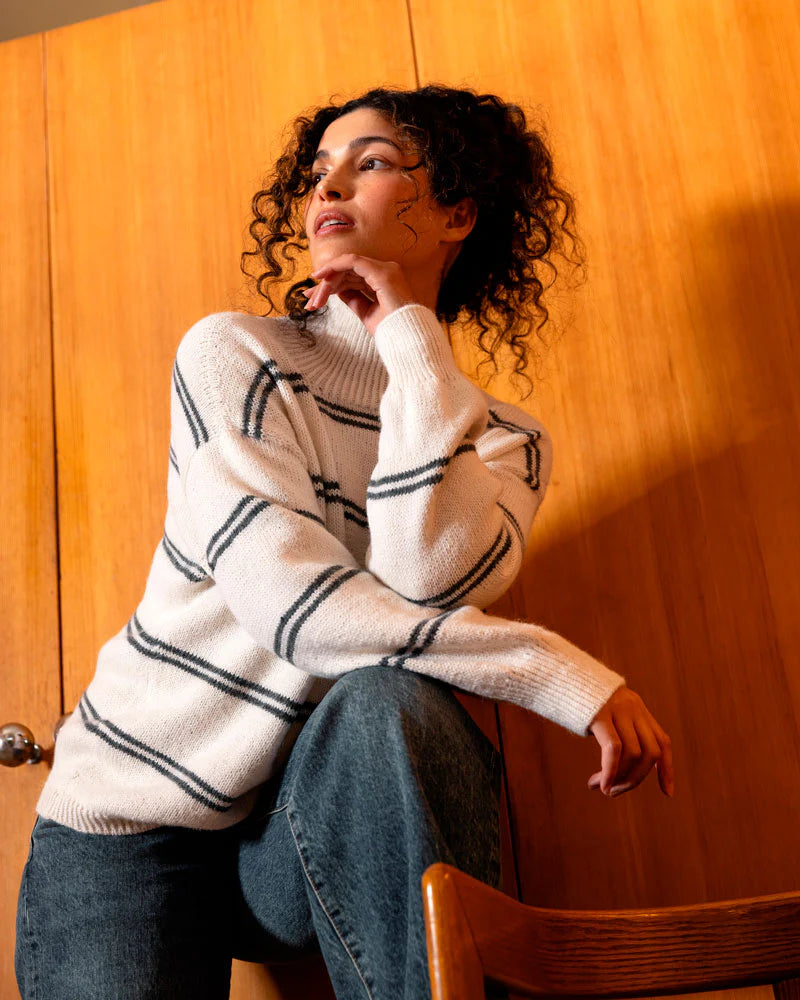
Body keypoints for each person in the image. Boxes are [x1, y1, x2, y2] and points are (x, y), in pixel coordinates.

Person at [15, 84, 673, 1000]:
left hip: (304, 818)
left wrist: (411, 344)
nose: (327, 187)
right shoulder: (237, 356)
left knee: (389, 700)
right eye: (320, 170)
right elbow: (296, 611)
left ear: (457, 214)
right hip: (133, 822)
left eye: (370, 163)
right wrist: (548, 670)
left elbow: (420, 577)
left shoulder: (505, 442)